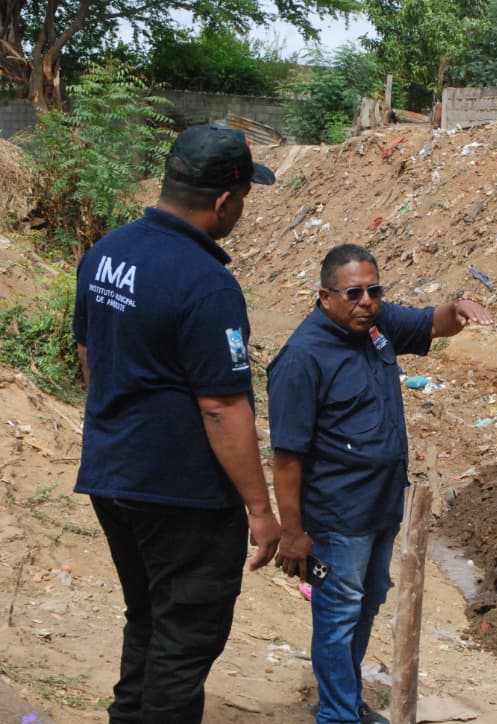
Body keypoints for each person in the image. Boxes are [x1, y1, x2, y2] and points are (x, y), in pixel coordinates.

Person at [73, 124, 281, 723]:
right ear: (224, 199)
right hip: (181, 495)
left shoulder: (107, 252)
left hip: (112, 477)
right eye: (242, 198)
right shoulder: (207, 283)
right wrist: (261, 512)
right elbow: (222, 407)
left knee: (149, 617)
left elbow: (91, 358)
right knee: (185, 639)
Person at [268, 243, 492, 724]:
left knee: (366, 606)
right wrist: (291, 532)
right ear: (325, 296)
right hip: (337, 518)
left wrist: (457, 309)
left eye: (373, 290)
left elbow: (433, 323)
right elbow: (286, 457)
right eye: (353, 293)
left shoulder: (377, 325)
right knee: (338, 617)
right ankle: (337, 715)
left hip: (381, 508)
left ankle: (346, 703)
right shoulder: (302, 359)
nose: (366, 301)